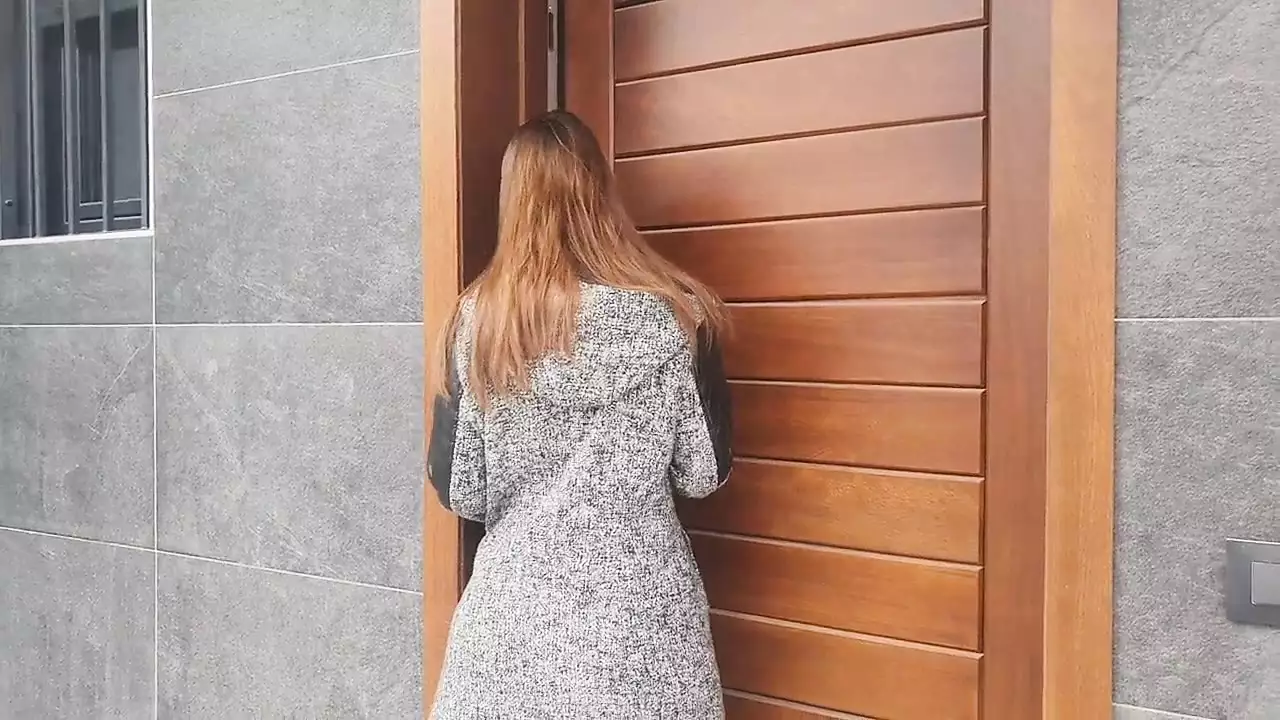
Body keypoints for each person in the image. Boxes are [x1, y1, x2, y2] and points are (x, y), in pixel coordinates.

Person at [426, 109, 733, 719]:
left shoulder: (478, 325)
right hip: (641, 628)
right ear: (600, 195)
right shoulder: (676, 317)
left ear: (513, 203)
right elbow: (703, 472)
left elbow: (463, 490)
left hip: (510, 629)